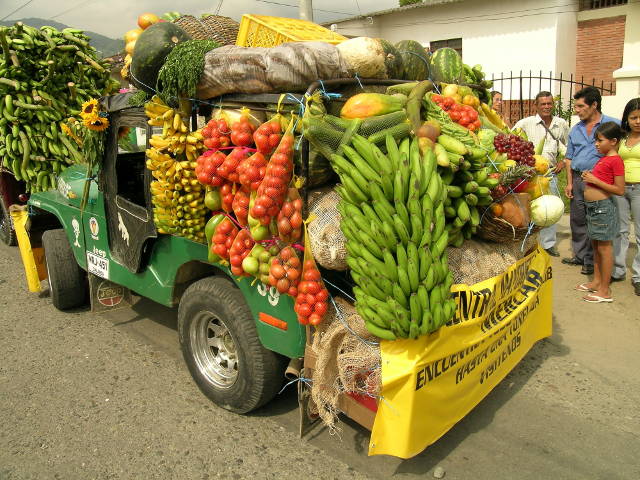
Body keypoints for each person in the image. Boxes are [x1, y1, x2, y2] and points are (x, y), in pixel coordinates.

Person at [563, 86, 620, 275]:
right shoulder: (575, 129)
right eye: (575, 107)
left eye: (580, 106)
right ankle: (580, 255)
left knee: (597, 221)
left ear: (594, 104)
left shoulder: (612, 125)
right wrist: (570, 182)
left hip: (600, 182)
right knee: (578, 219)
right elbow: (569, 158)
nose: (576, 110)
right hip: (579, 179)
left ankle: (592, 261)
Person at [513, 91, 569, 257]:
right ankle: (528, 243)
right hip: (529, 173)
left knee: (548, 208)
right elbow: (511, 139)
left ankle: (548, 244)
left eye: (549, 103)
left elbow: (569, 147)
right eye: (543, 104)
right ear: (535, 105)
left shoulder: (561, 124)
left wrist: (563, 162)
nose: (546, 107)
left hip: (550, 172)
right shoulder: (525, 123)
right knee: (529, 208)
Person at [576, 122, 625, 302]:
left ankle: (605, 290)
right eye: (595, 140)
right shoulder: (603, 158)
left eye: (600, 140)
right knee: (596, 246)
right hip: (593, 208)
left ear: (613, 141)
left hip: (603, 208)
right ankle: (596, 282)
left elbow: (619, 189)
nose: (596, 144)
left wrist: (594, 180)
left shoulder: (616, 160)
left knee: (605, 248)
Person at [612, 98, 640, 295]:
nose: (638, 121)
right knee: (620, 230)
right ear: (627, 119)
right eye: (634, 117)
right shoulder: (621, 139)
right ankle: (618, 269)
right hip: (620, 189)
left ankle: (638, 276)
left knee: (639, 235)